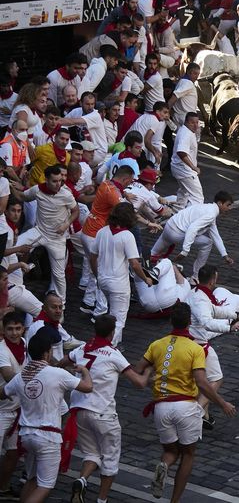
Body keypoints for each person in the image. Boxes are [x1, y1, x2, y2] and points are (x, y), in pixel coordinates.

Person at [132, 302, 236, 501]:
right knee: (188, 454)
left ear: (171, 321)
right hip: (186, 407)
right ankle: (174, 500)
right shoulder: (194, 349)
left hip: (161, 407)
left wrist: (152, 371)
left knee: (170, 451)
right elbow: (202, 383)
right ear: (189, 322)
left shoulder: (157, 345)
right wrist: (222, 403)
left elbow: (138, 369)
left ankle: (164, 465)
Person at [0, 329, 92, 503]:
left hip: (26, 435)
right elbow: (87, 387)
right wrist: (84, 371)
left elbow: (3, 393)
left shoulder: (21, 377)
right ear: (47, 353)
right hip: (48, 437)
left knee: (32, 479)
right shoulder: (57, 374)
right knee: (46, 485)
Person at [66, 314, 149, 503]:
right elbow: (139, 383)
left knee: (91, 454)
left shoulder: (81, 349)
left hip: (80, 411)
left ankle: (82, 479)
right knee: (110, 459)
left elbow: (63, 361)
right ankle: (102, 500)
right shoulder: (113, 354)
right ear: (112, 333)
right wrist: (149, 371)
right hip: (103, 413)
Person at [188, 265, 239, 428]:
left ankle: (203, 414)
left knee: (202, 380)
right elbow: (207, 321)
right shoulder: (201, 299)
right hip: (198, 344)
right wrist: (229, 327)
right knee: (216, 378)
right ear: (213, 280)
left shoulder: (196, 293)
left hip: (190, 342)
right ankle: (196, 413)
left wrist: (234, 316)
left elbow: (214, 310)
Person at [91, 203, 152, 346]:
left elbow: (92, 257)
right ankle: (109, 348)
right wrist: (145, 279)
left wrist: (97, 275)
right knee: (118, 321)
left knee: (110, 316)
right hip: (119, 285)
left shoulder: (102, 232)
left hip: (103, 281)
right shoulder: (127, 236)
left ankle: (106, 345)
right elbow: (135, 264)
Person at [78, 165, 136, 316]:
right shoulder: (114, 194)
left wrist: (124, 194)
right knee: (102, 274)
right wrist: (148, 222)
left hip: (87, 231)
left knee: (94, 271)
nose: (130, 184)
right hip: (95, 234)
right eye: (129, 182)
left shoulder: (106, 184)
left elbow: (118, 193)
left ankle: (88, 302)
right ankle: (100, 312)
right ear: (124, 179)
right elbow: (127, 213)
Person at [19, 165, 78, 304]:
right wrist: (10, 186)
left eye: (60, 181)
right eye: (54, 181)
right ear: (46, 180)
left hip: (57, 239)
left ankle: (61, 306)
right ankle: (13, 283)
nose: (58, 184)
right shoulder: (37, 190)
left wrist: (66, 224)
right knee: (12, 246)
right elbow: (23, 197)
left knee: (59, 275)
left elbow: (76, 211)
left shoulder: (66, 194)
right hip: (39, 232)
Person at [150, 191, 235, 277]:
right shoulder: (211, 214)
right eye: (228, 205)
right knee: (207, 243)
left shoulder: (207, 208)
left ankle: (143, 266)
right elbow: (193, 228)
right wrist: (185, 251)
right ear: (220, 203)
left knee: (152, 253)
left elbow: (215, 234)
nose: (229, 208)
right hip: (177, 233)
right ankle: (196, 276)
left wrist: (225, 255)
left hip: (169, 227)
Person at [0, 312, 25, 498]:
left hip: (17, 411)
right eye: (10, 329)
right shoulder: (1, 351)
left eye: (17, 328)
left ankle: (4, 488)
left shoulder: (25, 345)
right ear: (3, 330)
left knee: (13, 453)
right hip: (1, 412)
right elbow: (9, 376)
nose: (14, 333)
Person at [171, 112, 203, 209]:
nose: (196, 125)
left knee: (184, 192)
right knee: (197, 197)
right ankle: (192, 217)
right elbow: (181, 152)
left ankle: (177, 211)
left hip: (178, 168)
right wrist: (193, 167)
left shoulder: (186, 131)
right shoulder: (186, 134)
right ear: (186, 122)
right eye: (192, 123)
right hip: (185, 170)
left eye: (197, 122)